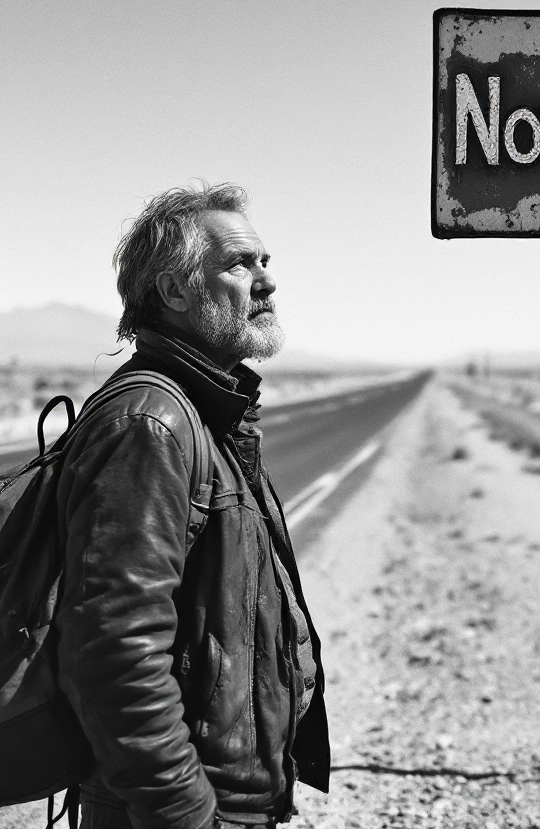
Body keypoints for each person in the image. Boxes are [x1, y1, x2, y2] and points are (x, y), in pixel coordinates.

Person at [55, 183, 329, 829]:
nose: (266, 282)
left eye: (265, 263)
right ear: (174, 292)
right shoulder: (150, 422)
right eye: (239, 264)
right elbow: (113, 651)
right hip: (174, 810)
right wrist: (184, 814)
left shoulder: (205, 409)